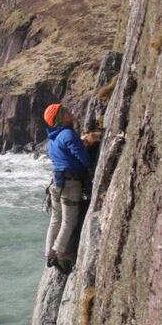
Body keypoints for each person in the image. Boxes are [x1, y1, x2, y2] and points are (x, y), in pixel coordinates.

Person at [42, 103, 96, 274]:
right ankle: (59, 253)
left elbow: (66, 151)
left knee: (56, 220)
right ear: (59, 118)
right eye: (65, 112)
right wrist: (87, 145)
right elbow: (85, 160)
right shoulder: (68, 134)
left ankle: (48, 252)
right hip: (71, 184)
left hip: (56, 184)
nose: (70, 112)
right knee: (69, 221)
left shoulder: (52, 139)